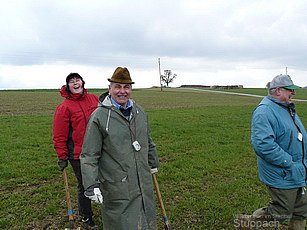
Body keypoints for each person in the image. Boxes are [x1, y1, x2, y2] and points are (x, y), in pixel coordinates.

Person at [80, 67, 159, 230]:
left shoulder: (140, 112)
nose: (122, 91)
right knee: (121, 223)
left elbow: (147, 140)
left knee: (145, 219)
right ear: (109, 89)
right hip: (116, 185)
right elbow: (89, 155)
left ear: (131, 89)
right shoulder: (99, 117)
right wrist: (91, 184)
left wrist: (153, 162)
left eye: (126, 87)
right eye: (118, 86)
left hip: (141, 180)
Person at [251, 74, 307, 229]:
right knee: (281, 211)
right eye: (290, 89)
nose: (293, 93)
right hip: (283, 171)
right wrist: (289, 163)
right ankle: (247, 223)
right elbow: (263, 145)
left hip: (299, 169)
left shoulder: (286, 108)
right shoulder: (264, 112)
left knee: (300, 211)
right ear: (277, 91)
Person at [52, 73, 99, 229]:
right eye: (71, 82)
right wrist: (62, 155)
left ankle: (110, 210)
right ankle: (87, 218)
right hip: (78, 154)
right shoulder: (64, 107)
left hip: (99, 150)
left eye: (77, 80)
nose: (75, 83)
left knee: (105, 181)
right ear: (68, 86)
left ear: (83, 82)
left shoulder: (93, 99)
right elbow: (59, 134)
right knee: (85, 185)